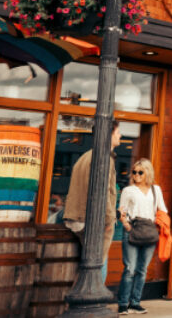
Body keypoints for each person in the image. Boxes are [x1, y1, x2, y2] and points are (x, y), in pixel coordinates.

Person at [64, 121, 121, 284]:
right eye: (117, 132)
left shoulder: (85, 156)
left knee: (89, 263)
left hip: (77, 217)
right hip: (93, 220)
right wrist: (109, 219)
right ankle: (94, 303)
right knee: (98, 263)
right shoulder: (104, 158)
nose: (120, 136)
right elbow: (102, 191)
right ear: (108, 134)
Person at [116, 158, 167, 314]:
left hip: (149, 230)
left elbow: (163, 209)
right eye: (134, 172)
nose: (136, 175)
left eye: (140, 172)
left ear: (147, 173)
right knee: (130, 269)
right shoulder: (128, 190)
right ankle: (123, 303)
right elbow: (121, 211)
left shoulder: (155, 190)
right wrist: (126, 226)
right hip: (133, 229)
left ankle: (136, 302)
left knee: (142, 269)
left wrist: (160, 226)